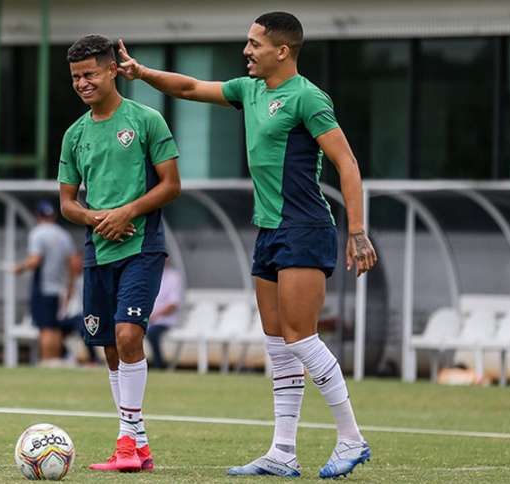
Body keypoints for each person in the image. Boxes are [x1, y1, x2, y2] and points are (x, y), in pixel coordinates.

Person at [118, 11, 377, 479]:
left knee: (302, 338)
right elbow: (191, 88)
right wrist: (141, 72)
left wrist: (356, 231)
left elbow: (348, 163)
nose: (246, 50)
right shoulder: (249, 89)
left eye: (255, 43)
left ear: (282, 50)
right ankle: (282, 452)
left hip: (304, 227)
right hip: (269, 229)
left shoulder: (307, 98)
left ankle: (351, 439)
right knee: (277, 344)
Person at [57, 34, 181, 473]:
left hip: (142, 246)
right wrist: (98, 219)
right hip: (97, 251)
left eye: (90, 73)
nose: (83, 83)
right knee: (109, 347)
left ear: (113, 69)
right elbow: (68, 202)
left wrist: (127, 211)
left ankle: (127, 443)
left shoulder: (147, 120)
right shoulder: (75, 135)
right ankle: (138, 443)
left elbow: (171, 185)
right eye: (75, 76)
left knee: (129, 334)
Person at [13, 201, 75, 366]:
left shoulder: (37, 233)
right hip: (59, 288)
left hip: (43, 287)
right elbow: (73, 263)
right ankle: (55, 362)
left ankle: (47, 361)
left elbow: (35, 260)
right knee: (54, 327)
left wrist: (19, 268)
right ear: (53, 216)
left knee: (45, 328)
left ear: (38, 216)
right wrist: (70, 287)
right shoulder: (64, 235)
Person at [146, 258, 183, 369]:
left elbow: (173, 304)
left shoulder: (173, 277)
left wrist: (155, 315)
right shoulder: (150, 274)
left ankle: (158, 364)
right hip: (148, 318)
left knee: (152, 333)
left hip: (164, 320)